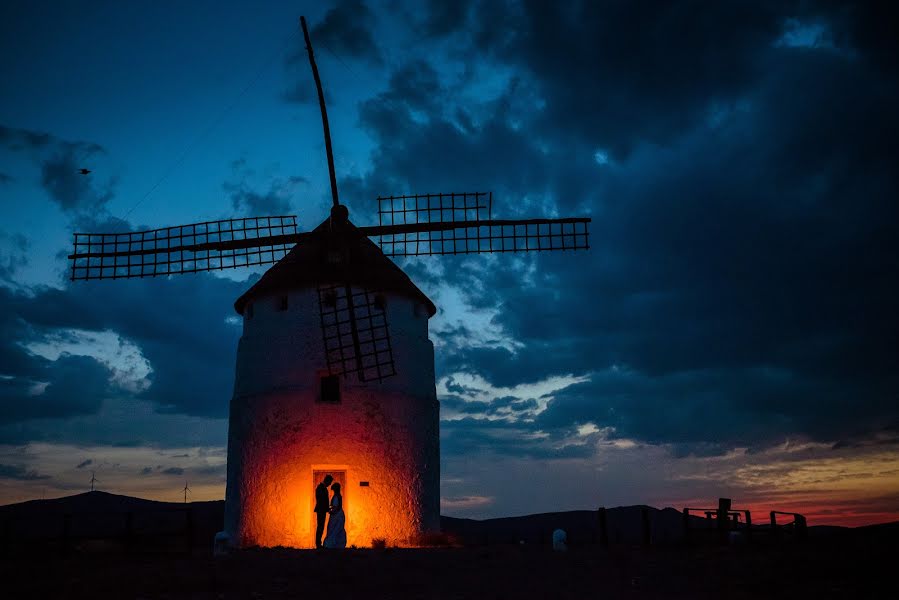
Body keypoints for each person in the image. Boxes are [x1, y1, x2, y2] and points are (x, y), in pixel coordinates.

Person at [322, 482, 346, 548]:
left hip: (337, 515)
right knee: (334, 528)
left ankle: (331, 544)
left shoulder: (337, 496)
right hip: (337, 514)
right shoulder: (338, 496)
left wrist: (332, 511)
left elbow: (337, 507)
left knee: (334, 528)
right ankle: (335, 544)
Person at [314, 474, 333, 548]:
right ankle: (318, 544)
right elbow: (322, 500)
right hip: (321, 510)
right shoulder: (321, 488)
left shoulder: (321, 487)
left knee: (321, 526)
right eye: (330, 482)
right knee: (320, 526)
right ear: (327, 480)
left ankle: (318, 543)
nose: (330, 484)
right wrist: (327, 508)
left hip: (321, 509)